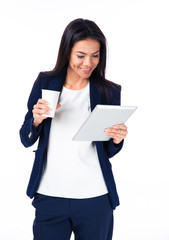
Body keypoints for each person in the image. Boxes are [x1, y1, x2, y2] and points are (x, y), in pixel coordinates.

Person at [20, 18, 128, 240]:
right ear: (67, 51)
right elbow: (25, 138)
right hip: (50, 197)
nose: (88, 63)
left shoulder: (109, 91)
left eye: (95, 55)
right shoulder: (45, 82)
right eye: (81, 55)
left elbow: (106, 151)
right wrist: (36, 120)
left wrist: (117, 139)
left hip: (96, 198)